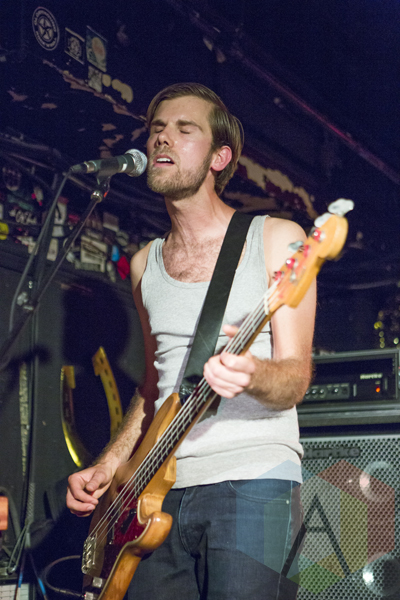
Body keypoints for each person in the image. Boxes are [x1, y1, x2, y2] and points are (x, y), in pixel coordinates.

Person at [66, 82, 316, 599]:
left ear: (219, 158)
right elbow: (153, 387)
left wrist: (253, 374)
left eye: (185, 130)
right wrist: (108, 466)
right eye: (157, 129)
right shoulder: (144, 264)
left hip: (252, 476)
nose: (163, 139)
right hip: (152, 492)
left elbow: (295, 377)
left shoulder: (276, 239)